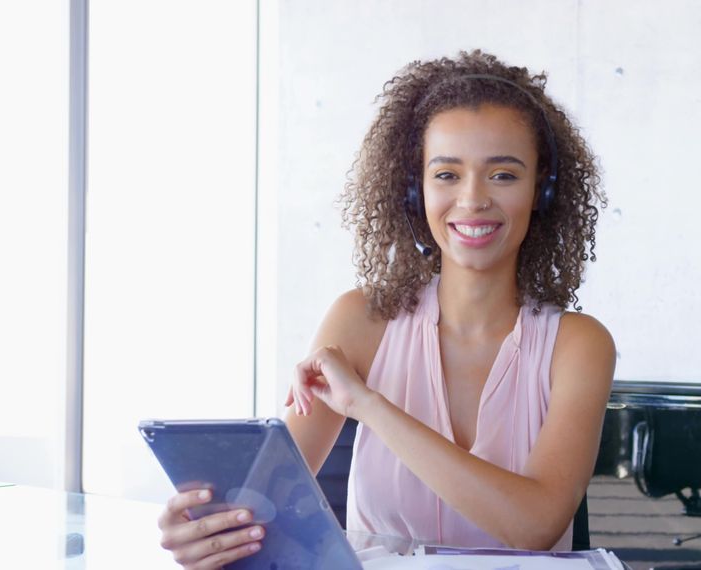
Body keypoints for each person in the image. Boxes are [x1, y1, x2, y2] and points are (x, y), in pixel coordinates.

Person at [156, 49, 615, 569]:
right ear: (415, 188)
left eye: (503, 175)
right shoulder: (361, 320)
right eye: (446, 174)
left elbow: (535, 526)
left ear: (542, 189)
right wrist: (205, 529)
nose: (472, 200)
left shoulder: (579, 344)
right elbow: (259, 505)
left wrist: (370, 405)